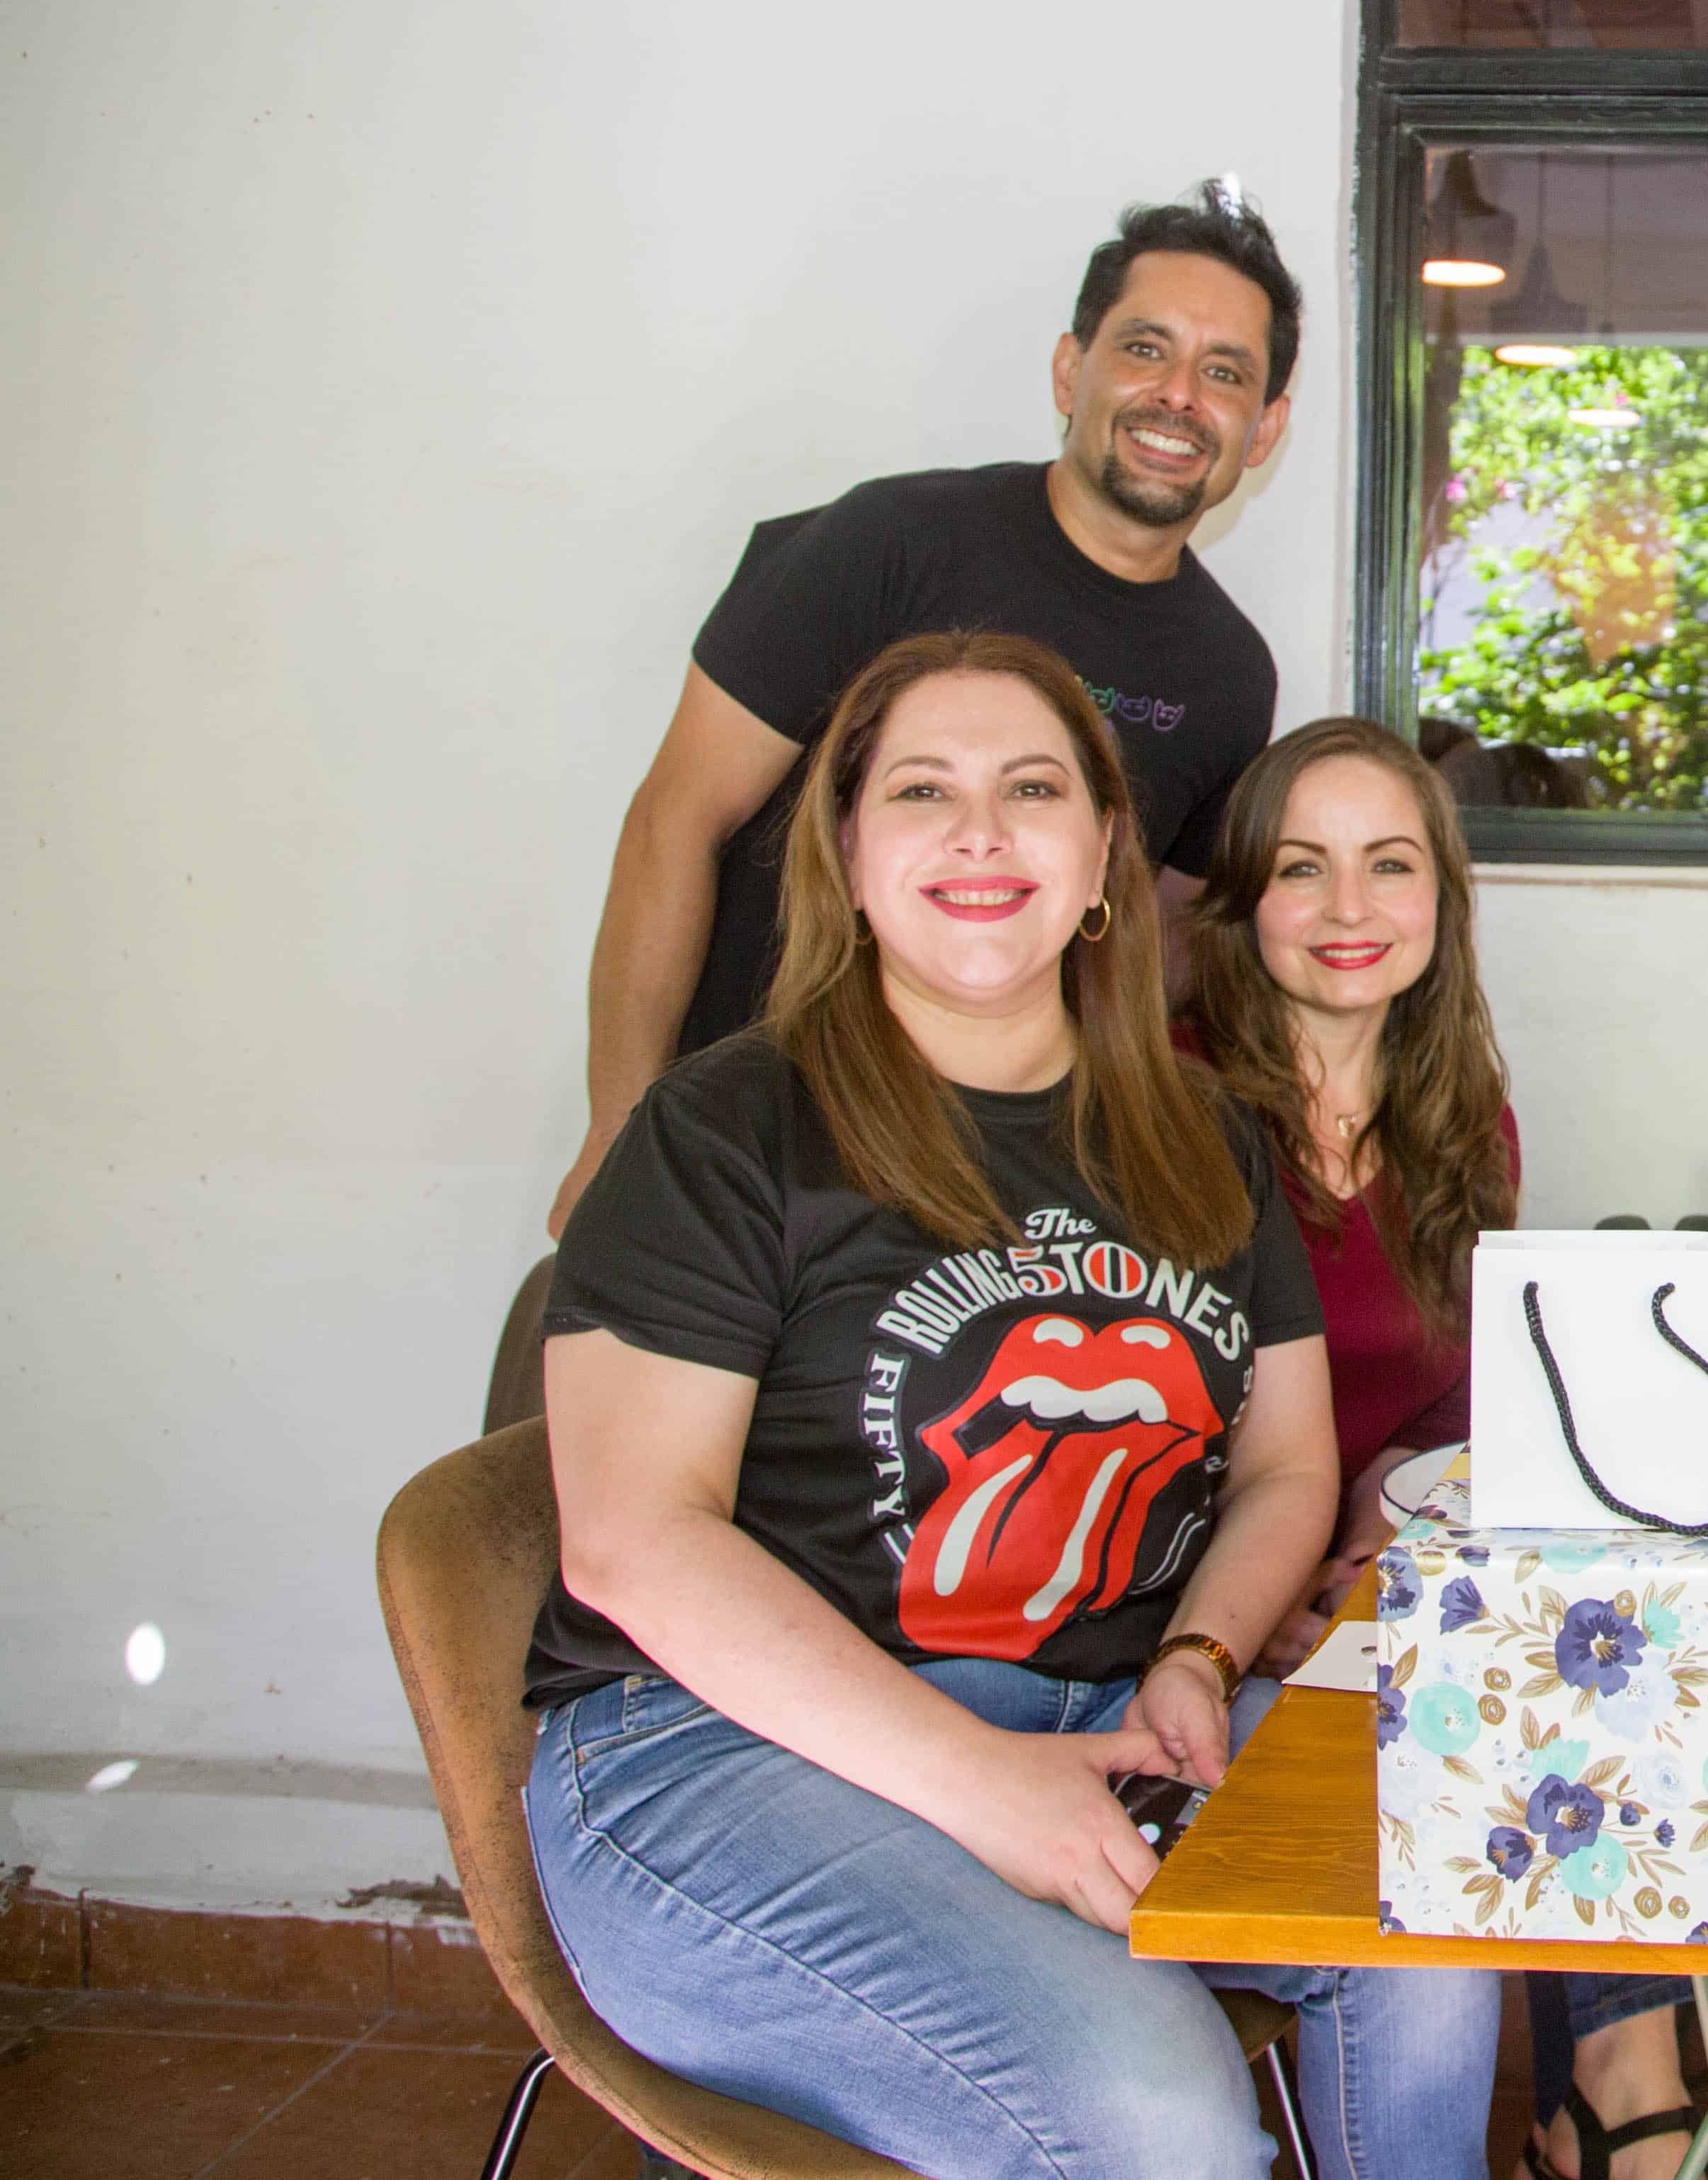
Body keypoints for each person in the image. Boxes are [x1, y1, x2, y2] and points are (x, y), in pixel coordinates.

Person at [528, 633, 1494, 2180]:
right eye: (924, 789)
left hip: (1098, 1720)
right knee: (1165, 2118)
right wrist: (986, 1789)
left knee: (1437, 1894)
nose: (981, 830)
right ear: (844, 857)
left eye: (1032, 788)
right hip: (720, 1754)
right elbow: (636, 1543)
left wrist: (1199, 1653)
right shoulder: (724, 1125)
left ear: (1107, 857)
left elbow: (1287, 1464)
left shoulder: (1197, 1139)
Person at [549, 186, 1299, 1235]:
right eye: (1144, 349)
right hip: (752, 1161)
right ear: (1068, 370)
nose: (1179, 395)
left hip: (997, 1199)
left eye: (1225, 373)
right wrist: (621, 1132)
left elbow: (1147, 955)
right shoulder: (887, 544)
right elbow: (676, 818)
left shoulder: (1230, 677)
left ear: (1264, 429)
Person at [1180, 717, 1692, 2180]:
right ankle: (1622, 2112)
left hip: (1349, 1593)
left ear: (1441, 900)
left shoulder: (1458, 1111)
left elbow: (1434, 1405)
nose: (1350, 912)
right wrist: (1258, 1598)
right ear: (1243, 902)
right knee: (1520, 1713)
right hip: (1193, 1622)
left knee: (1618, 1638)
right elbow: (1130, 1422)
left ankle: (1618, 2077)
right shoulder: (1166, 1104)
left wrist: (1372, 1529)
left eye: (1389, 866)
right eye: (1303, 870)